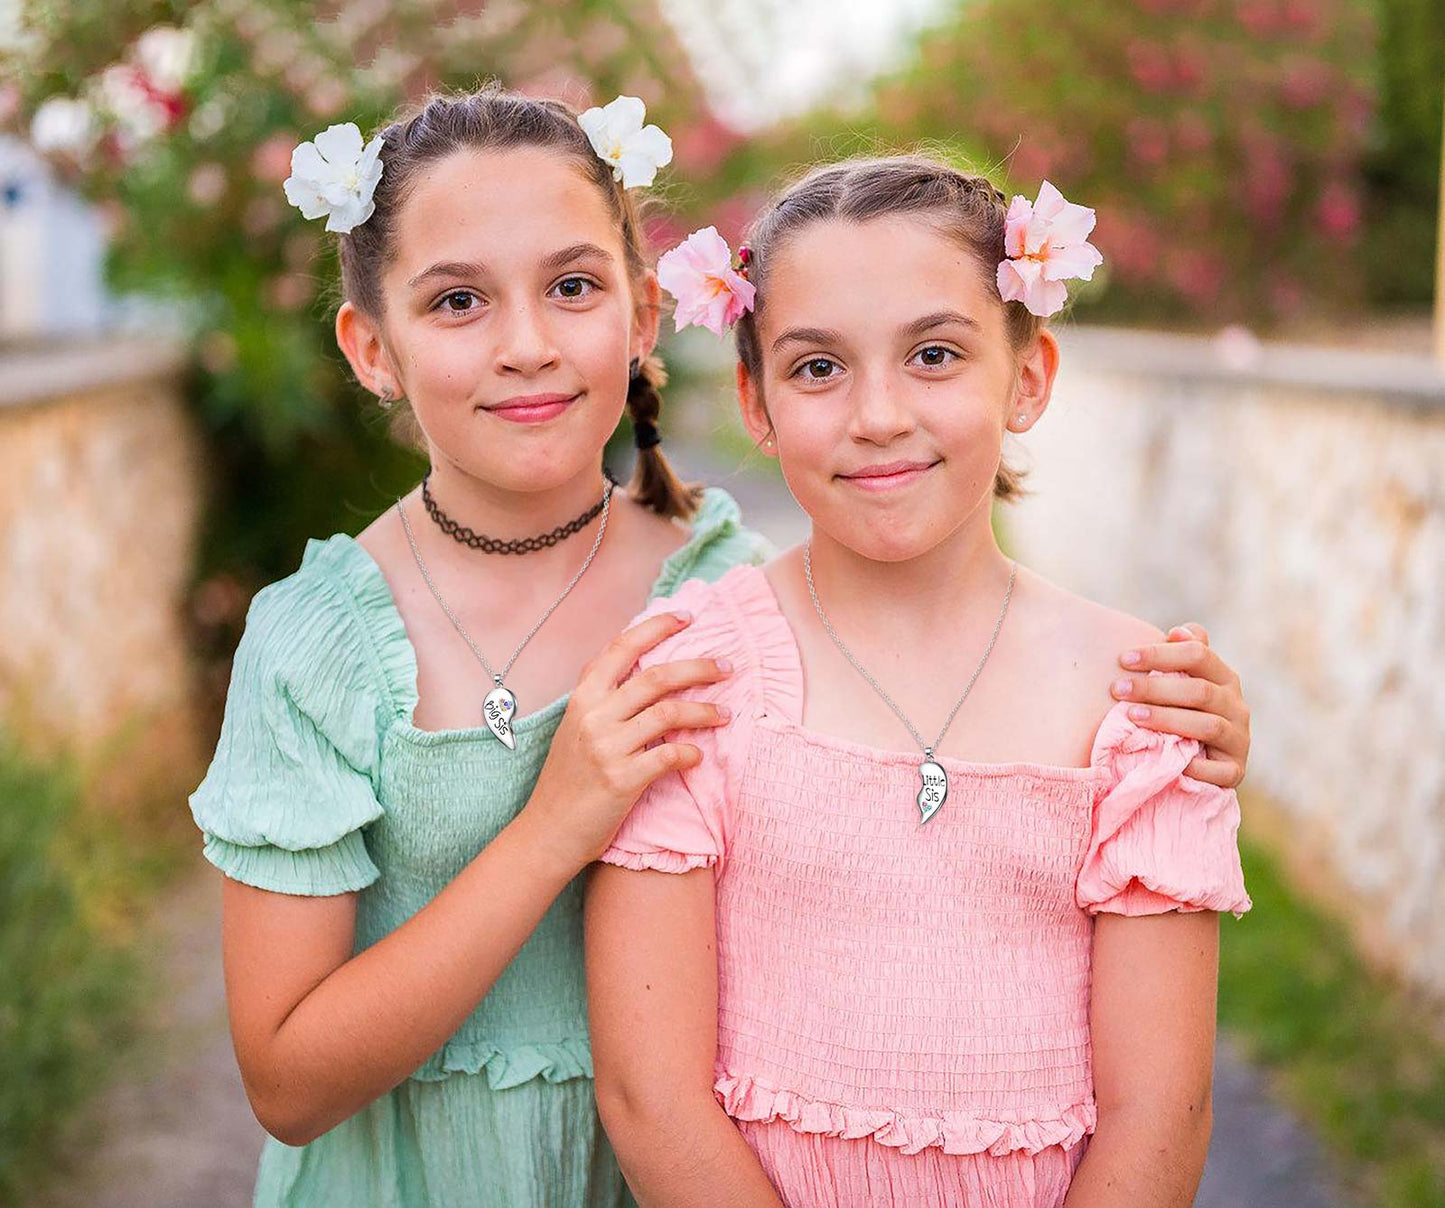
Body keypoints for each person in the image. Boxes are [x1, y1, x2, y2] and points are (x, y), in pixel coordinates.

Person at [586, 157, 1252, 1207]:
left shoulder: (1138, 702)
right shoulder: (692, 675)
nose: (879, 413)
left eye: (933, 354)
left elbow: (1158, 1114)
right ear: (755, 403)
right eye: (817, 370)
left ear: (1025, 376)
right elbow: (648, 1093)